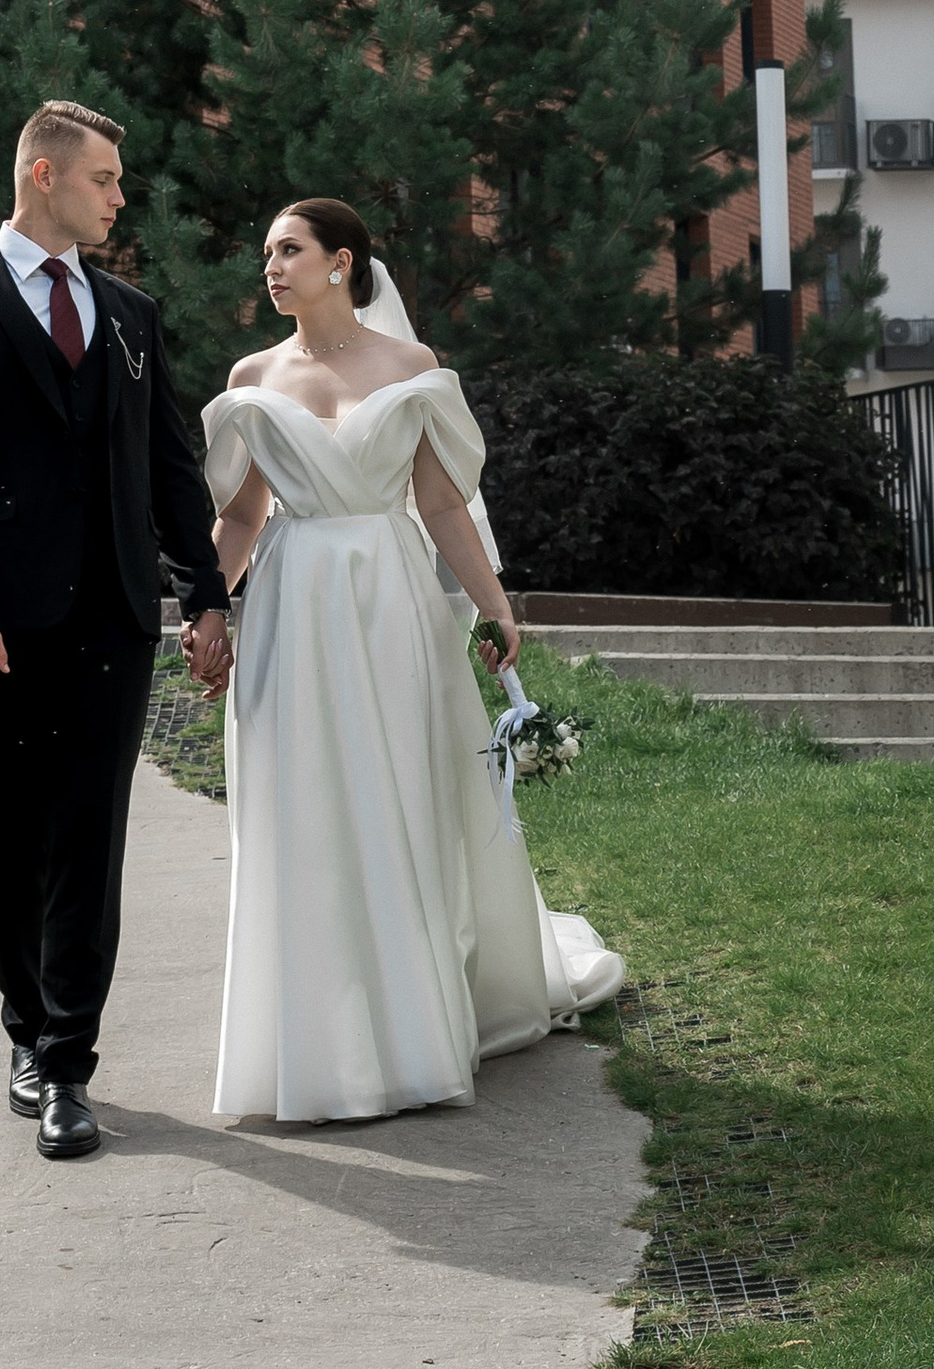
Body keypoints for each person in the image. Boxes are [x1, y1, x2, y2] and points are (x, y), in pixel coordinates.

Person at [200, 197, 624, 1126]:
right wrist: (205, 607)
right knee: (298, 808)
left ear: (342, 261)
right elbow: (240, 515)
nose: (270, 268)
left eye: (289, 250)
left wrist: (494, 605)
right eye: (266, 254)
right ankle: (310, 1045)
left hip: (389, 602)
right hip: (289, 606)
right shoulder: (252, 373)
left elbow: (438, 505)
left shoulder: (412, 367)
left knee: (399, 794)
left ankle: (414, 1030)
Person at [0, 99, 233, 1161]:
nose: (119, 194)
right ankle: (23, 1031)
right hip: (1, 621)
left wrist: (207, 591)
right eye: (104, 178)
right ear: (43, 174)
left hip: (115, 615)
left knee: (91, 833)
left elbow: (171, 464)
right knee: (15, 831)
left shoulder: (128, 312)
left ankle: (68, 1060)